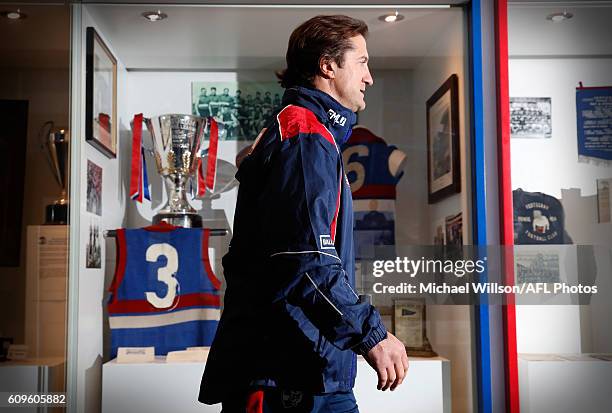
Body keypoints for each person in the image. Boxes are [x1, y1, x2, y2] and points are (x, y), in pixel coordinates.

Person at [199, 15, 408, 413]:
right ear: (328, 66)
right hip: (290, 375)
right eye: (362, 62)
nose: (370, 77)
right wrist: (372, 334)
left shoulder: (311, 134)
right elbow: (307, 262)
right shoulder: (304, 136)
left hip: (307, 367)